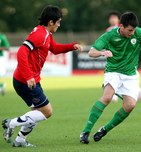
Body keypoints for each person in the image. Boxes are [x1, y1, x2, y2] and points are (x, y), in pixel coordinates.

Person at [2, 5, 83, 147]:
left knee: (36, 113)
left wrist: (72, 46)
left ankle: (20, 140)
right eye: (58, 21)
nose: (59, 24)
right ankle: (11, 123)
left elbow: (55, 49)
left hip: (27, 79)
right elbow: (22, 52)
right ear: (51, 22)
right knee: (47, 111)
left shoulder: (46, 34)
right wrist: (28, 76)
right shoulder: (40, 34)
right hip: (25, 80)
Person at [80, 12, 141, 144]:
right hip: (113, 72)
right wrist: (102, 52)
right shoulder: (109, 35)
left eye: (134, 30)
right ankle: (86, 131)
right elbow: (91, 52)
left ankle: (104, 130)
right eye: (129, 30)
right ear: (121, 26)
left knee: (130, 105)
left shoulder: (138, 32)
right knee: (107, 97)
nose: (132, 33)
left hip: (130, 75)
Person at [105, 11, 141, 102]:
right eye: (111, 18)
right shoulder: (109, 30)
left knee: (130, 76)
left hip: (127, 61)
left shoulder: (127, 29)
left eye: (114, 17)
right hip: (115, 61)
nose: (112, 20)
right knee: (114, 78)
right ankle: (115, 94)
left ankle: (137, 90)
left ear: (119, 20)